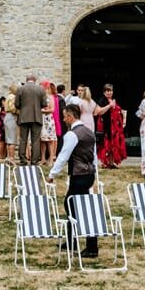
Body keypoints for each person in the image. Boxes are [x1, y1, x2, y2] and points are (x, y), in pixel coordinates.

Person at [48, 103, 99, 259]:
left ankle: (91, 247)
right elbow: (94, 156)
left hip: (79, 175)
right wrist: (95, 173)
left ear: (70, 116)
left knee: (77, 208)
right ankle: (71, 241)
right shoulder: (90, 133)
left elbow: (63, 156)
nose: (64, 120)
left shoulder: (72, 135)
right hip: (89, 174)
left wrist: (52, 174)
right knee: (73, 205)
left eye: (64, 116)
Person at [40, 81, 59, 165]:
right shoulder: (41, 96)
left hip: (48, 120)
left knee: (50, 140)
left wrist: (42, 111)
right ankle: (43, 158)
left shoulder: (50, 97)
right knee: (42, 140)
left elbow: (52, 109)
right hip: (42, 119)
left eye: (41, 86)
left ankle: (51, 159)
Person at [3, 84, 19, 162]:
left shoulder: (8, 96)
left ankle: (8, 156)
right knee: (12, 138)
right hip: (12, 117)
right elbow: (13, 108)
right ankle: (11, 157)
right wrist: (19, 111)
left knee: (8, 138)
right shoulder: (13, 97)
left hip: (7, 116)